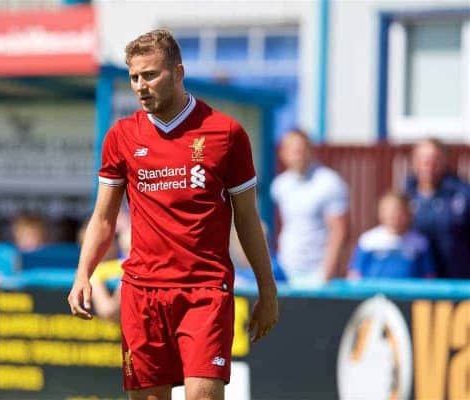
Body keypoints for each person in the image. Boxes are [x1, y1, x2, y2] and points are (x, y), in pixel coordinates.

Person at [68, 29, 278, 400]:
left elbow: (246, 218)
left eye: (150, 75)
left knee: (203, 395)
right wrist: (82, 274)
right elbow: (103, 218)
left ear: (178, 73)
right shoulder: (121, 136)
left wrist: (268, 288)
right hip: (142, 293)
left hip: (204, 290)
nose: (140, 86)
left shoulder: (226, 134)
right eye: (134, 77)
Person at [270, 129, 349, 286]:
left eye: (301, 149)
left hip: (316, 273)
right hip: (286, 270)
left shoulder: (329, 182)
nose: (297, 154)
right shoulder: (280, 185)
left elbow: (339, 230)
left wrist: (325, 274)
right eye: (292, 149)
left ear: (310, 150)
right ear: (283, 154)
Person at [404, 138, 470, 279]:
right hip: (417, 282)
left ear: (445, 161)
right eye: (423, 159)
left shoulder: (462, 194)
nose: (429, 165)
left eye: (435, 159)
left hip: (457, 281)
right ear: (414, 162)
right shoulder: (405, 196)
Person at [348, 191, 435, 279]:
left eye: (398, 211)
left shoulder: (419, 242)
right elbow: (355, 273)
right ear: (381, 213)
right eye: (390, 212)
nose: (394, 216)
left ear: (408, 213)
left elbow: (428, 275)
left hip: (408, 292)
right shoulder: (368, 241)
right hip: (376, 292)